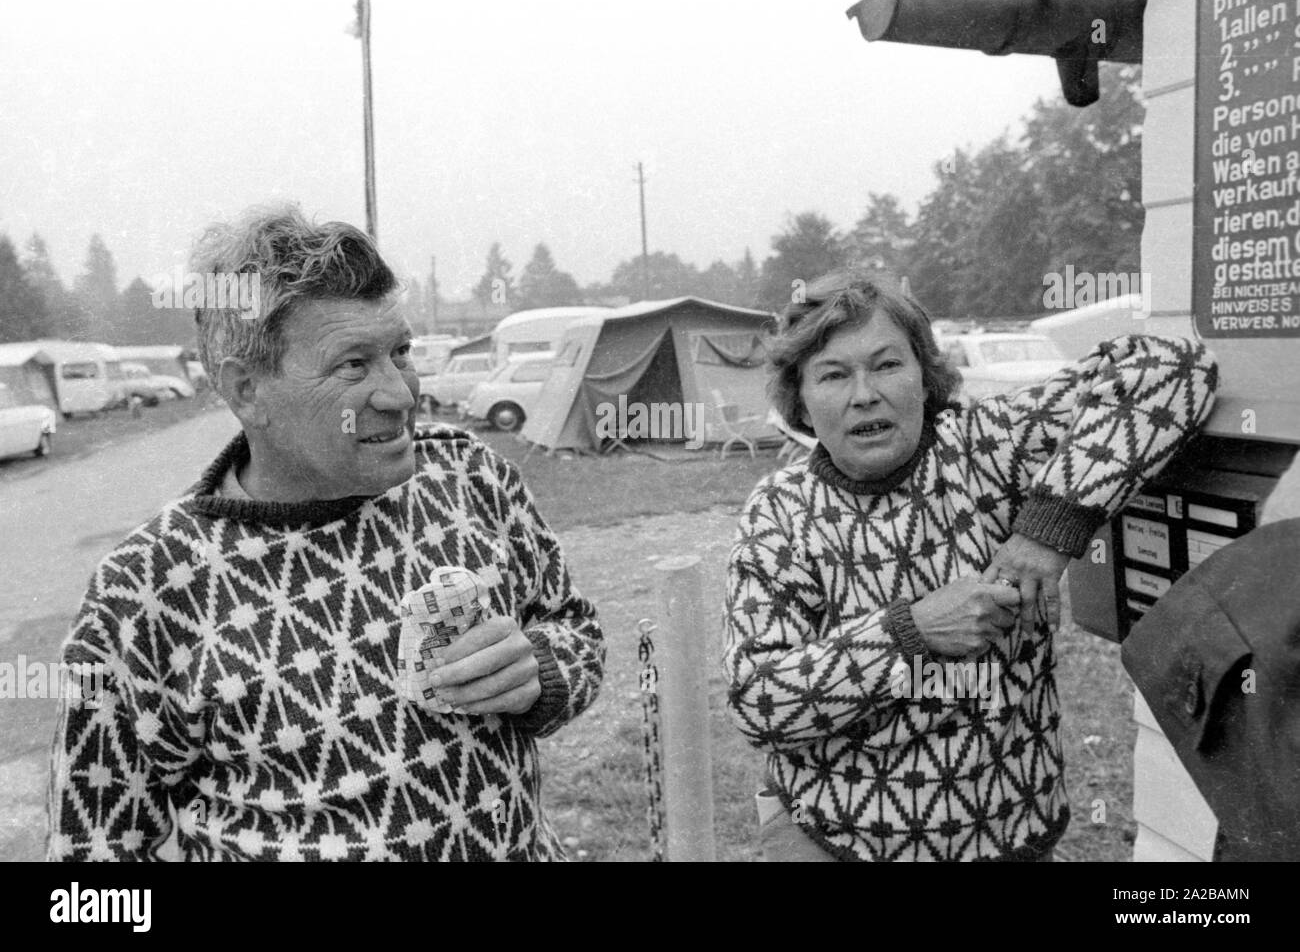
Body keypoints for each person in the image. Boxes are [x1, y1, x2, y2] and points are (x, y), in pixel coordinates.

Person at [46, 204, 605, 861]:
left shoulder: (468, 474)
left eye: (400, 352)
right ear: (247, 390)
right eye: (353, 367)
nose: (401, 394)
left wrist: (541, 670)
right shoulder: (145, 592)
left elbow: (576, 627)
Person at [724, 268, 1218, 861]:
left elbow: (1176, 370)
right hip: (836, 838)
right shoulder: (780, 512)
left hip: (1009, 833)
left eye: (886, 365)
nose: (864, 394)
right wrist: (912, 632)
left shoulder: (988, 446)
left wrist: (1046, 530)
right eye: (833, 375)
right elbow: (758, 703)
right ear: (799, 401)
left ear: (925, 377)